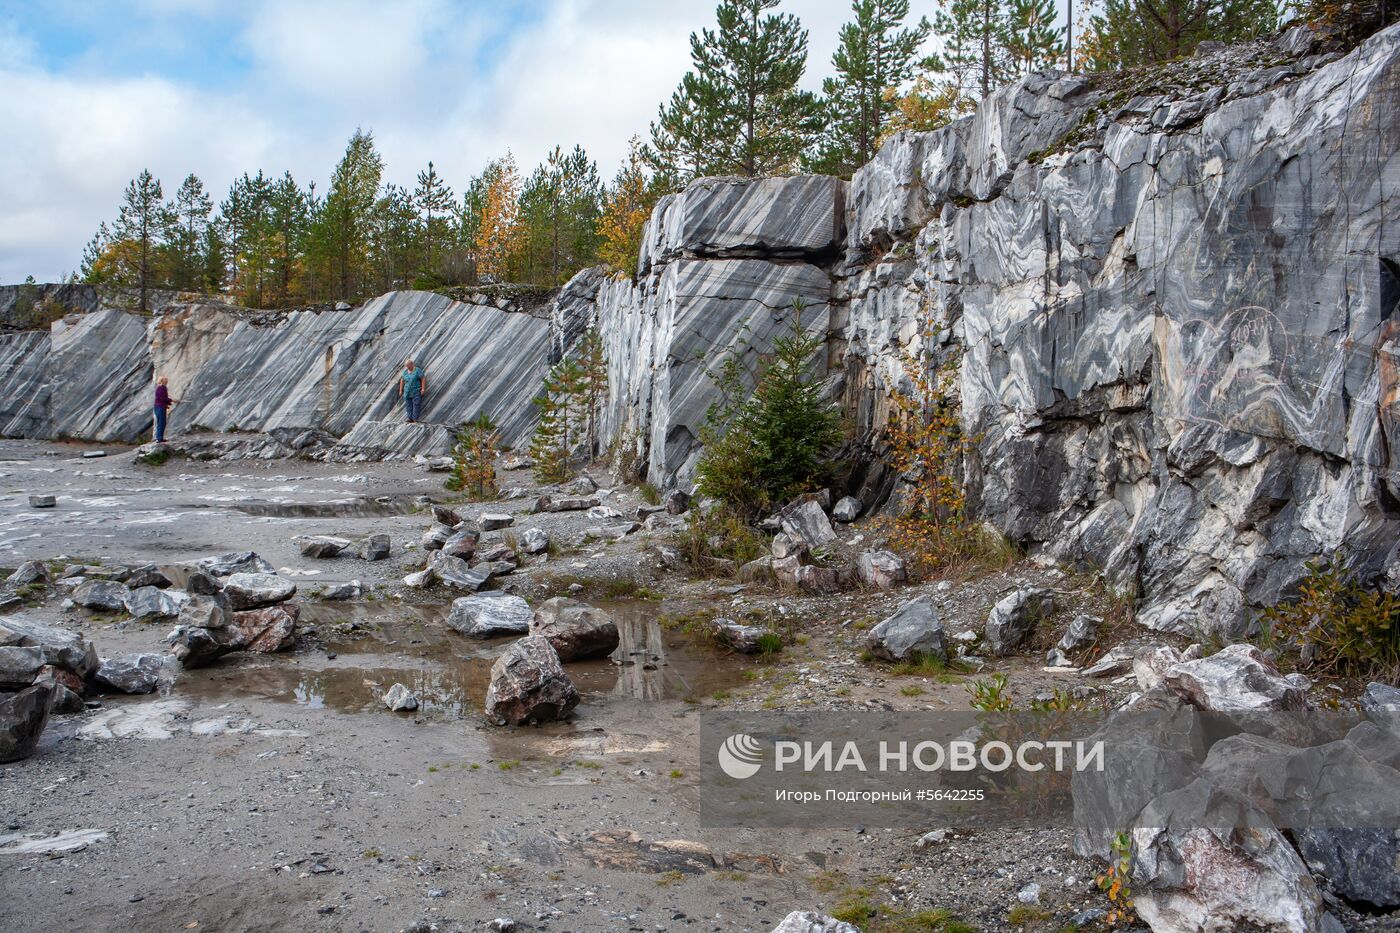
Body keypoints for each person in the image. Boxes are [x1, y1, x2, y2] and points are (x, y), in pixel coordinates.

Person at [398, 359, 427, 423]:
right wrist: (400, 390)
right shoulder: (405, 372)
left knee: (416, 405)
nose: (407, 367)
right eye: (406, 366)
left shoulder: (417, 370)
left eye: (408, 366)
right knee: (408, 405)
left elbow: (423, 378)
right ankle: (410, 418)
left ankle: (414, 418)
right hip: (407, 392)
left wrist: (423, 389)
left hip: (416, 391)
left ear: (412, 364)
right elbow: (402, 380)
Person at [153, 376, 176, 443]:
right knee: (161, 422)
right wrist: (172, 400)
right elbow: (162, 398)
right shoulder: (160, 388)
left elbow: (163, 399)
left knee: (162, 422)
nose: (167, 381)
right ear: (162, 381)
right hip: (159, 407)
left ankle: (160, 438)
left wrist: (170, 401)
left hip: (160, 407)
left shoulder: (163, 388)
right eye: (166, 380)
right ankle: (159, 438)